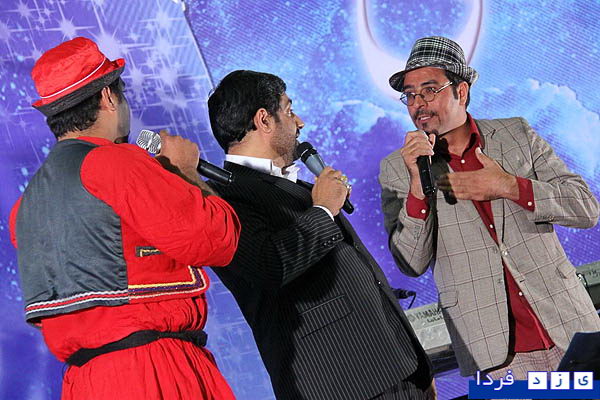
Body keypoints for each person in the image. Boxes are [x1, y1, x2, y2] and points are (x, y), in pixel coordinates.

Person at [8, 37, 241, 399]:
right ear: (107, 97)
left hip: (82, 383)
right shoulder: (118, 163)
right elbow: (218, 240)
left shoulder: (24, 208)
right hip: (153, 371)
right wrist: (185, 171)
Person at [378, 36, 600, 381]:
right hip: (496, 355)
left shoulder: (516, 134)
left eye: (430, 90)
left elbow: (586, 208)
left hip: (572, 329)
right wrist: (418, 187)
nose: (418, 103)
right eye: (410, 95)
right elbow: (410, 263)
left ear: (461, 91)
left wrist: (511, 186)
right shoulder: (396, 169)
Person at [206, 70, 436, 400]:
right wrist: (324, 209)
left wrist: (418, 367)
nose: (299, 122)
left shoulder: (296, 186)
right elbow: (270, 266)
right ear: (264, 120)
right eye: (288, 110)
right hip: (340, 385)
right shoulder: (224, 198)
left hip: (396, 370)